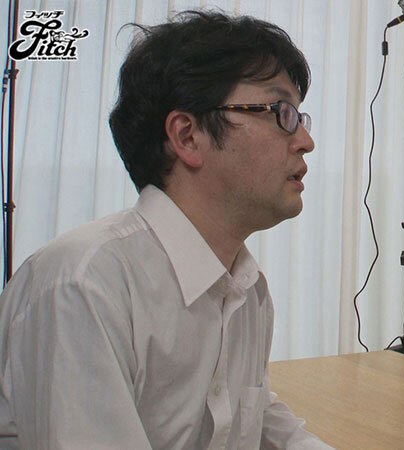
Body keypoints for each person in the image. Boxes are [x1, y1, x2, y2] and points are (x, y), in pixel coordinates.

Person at [0, 10, 333, 449]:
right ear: (187, 135)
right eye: (280, 113)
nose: (305, 140)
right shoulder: (85, 285)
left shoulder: (247, 290)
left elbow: (252, 414)